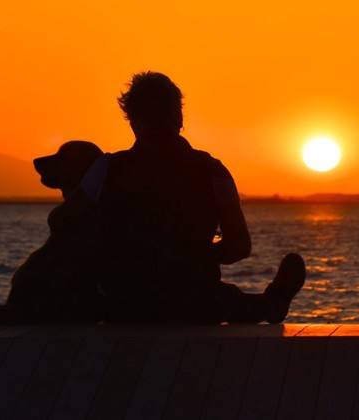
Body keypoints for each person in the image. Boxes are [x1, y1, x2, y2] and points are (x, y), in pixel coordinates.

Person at [82, 71, 305, 324]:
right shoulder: (213, 172)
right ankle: (274, 302)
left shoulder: (105, 169)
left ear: (132, 121)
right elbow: (239, 246)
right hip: (193, 304)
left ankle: (270, 302)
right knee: (227, 301)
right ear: (179, 117)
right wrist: (192, 255)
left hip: (123, 305)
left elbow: (70, 232)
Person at [0, 141, 103, 325]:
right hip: (56, 309)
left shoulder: (79, 223)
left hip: (58, 311)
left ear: (79, 171)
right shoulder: (83, 220)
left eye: (61, 158)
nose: (40, 161)